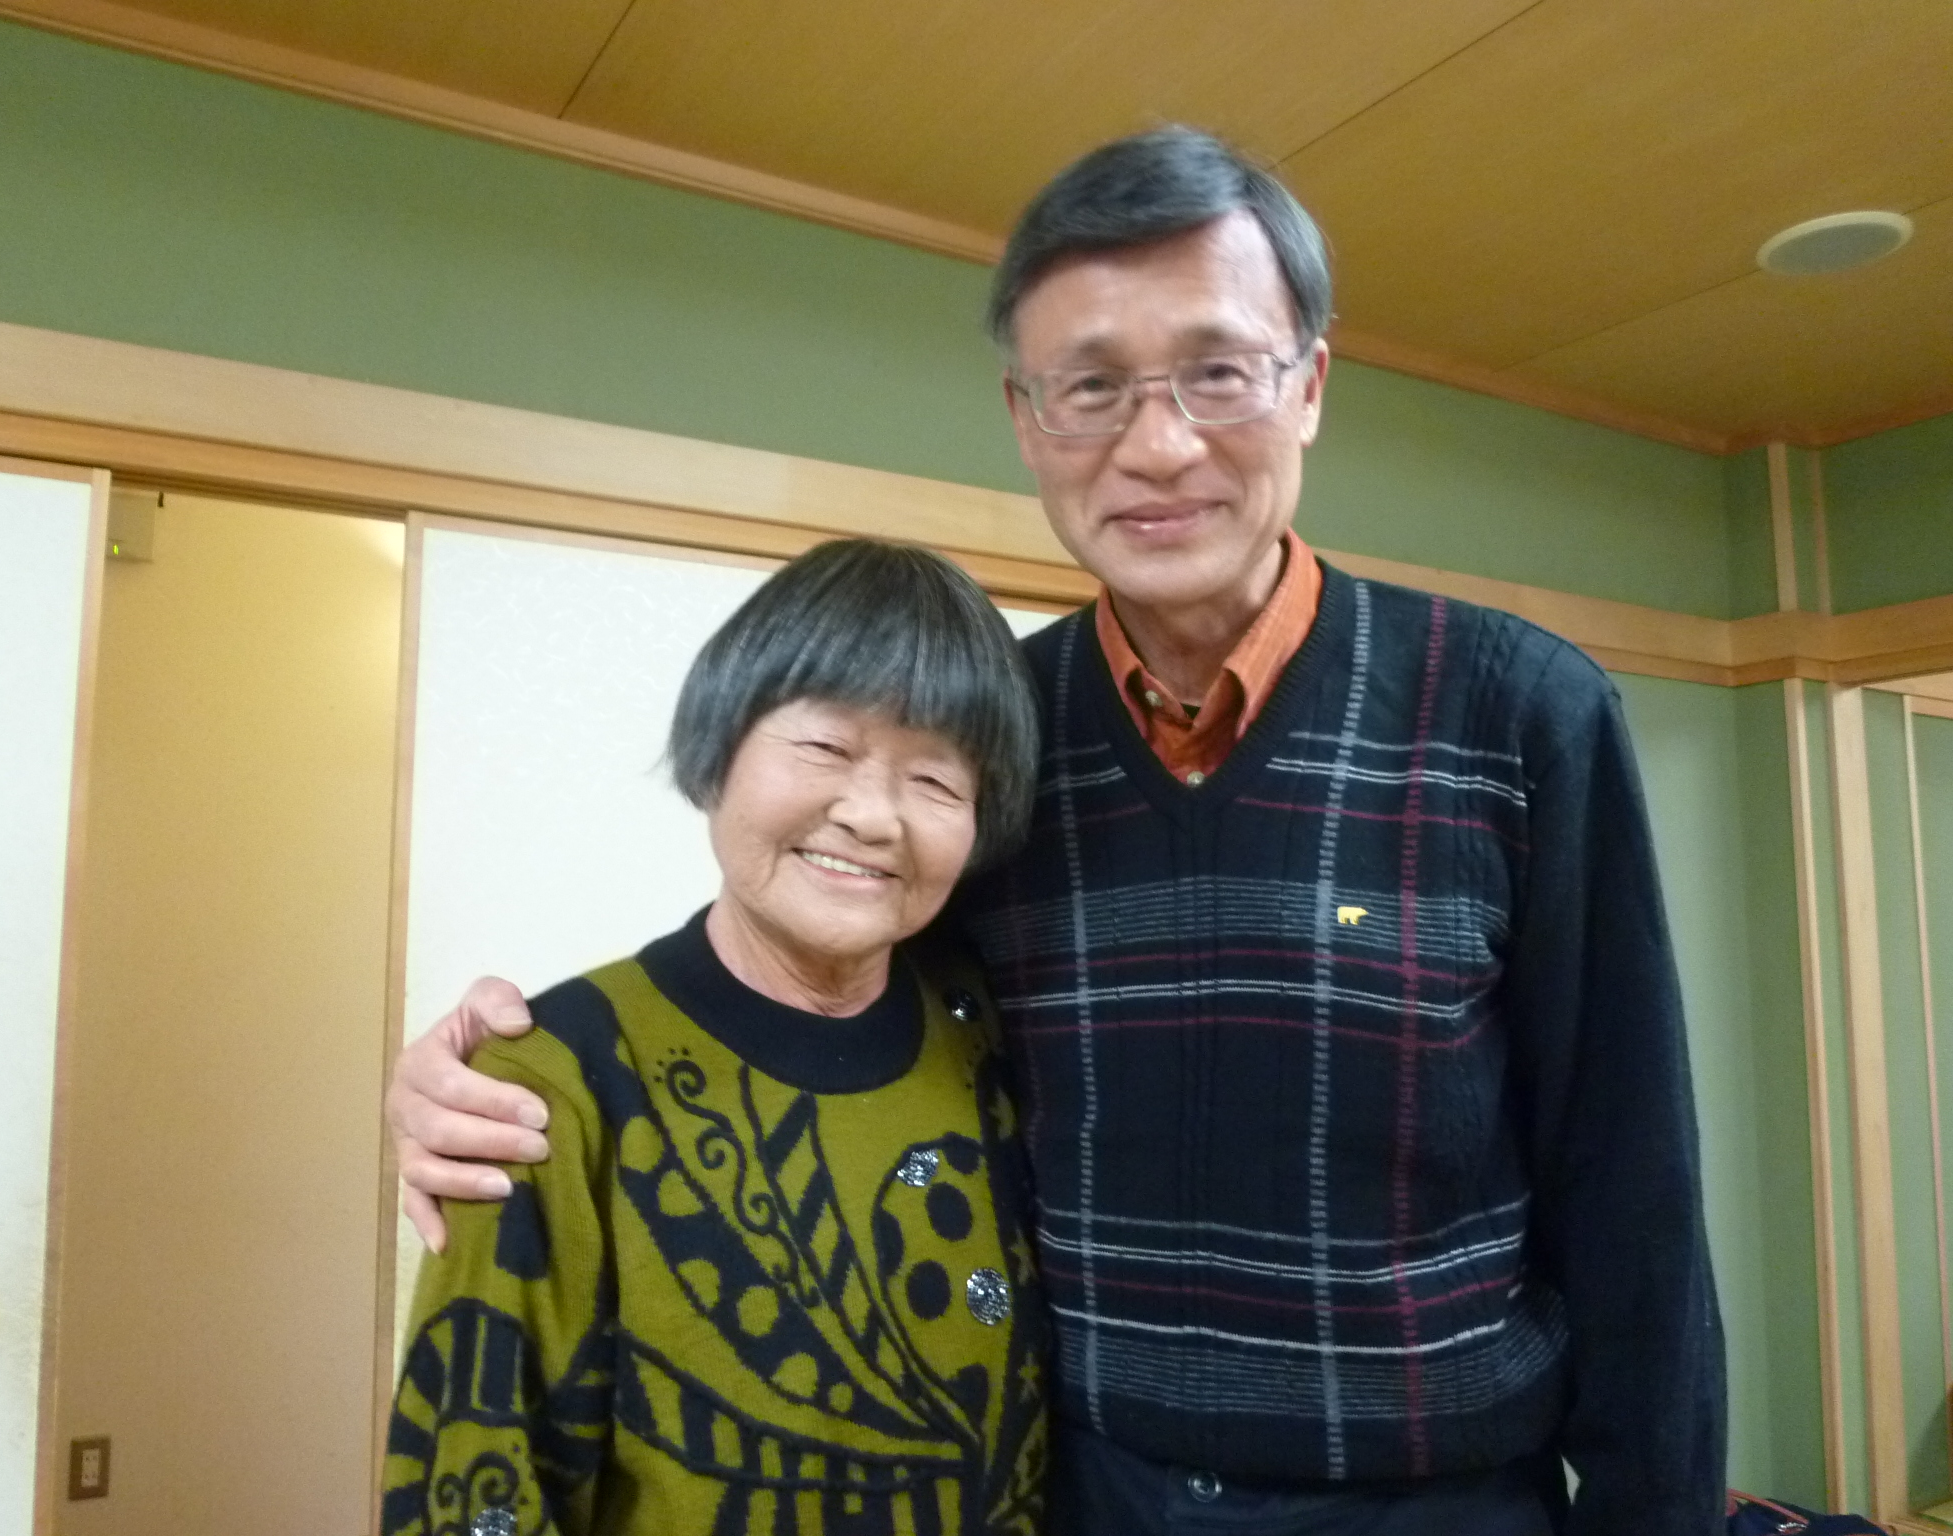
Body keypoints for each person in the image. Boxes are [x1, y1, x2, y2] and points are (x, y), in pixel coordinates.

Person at [389, 128, 1726, 1535]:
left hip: (1434, 1506)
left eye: (1218, 371)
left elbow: (1630, 1186)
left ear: (1310, 387)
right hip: (1086, 1498)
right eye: (1091, 387)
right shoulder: (984, 740)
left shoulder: (1518, 712)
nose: (1158, 445)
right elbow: (823, 997)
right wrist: (513, 1079)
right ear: (1028, 421)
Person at [382, 539, 1050, 1536]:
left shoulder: (987, 1028)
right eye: (824, 748)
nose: (873, 816)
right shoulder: (549, 1084)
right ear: (719, 749)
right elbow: (475, 1482)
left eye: (936, 781)